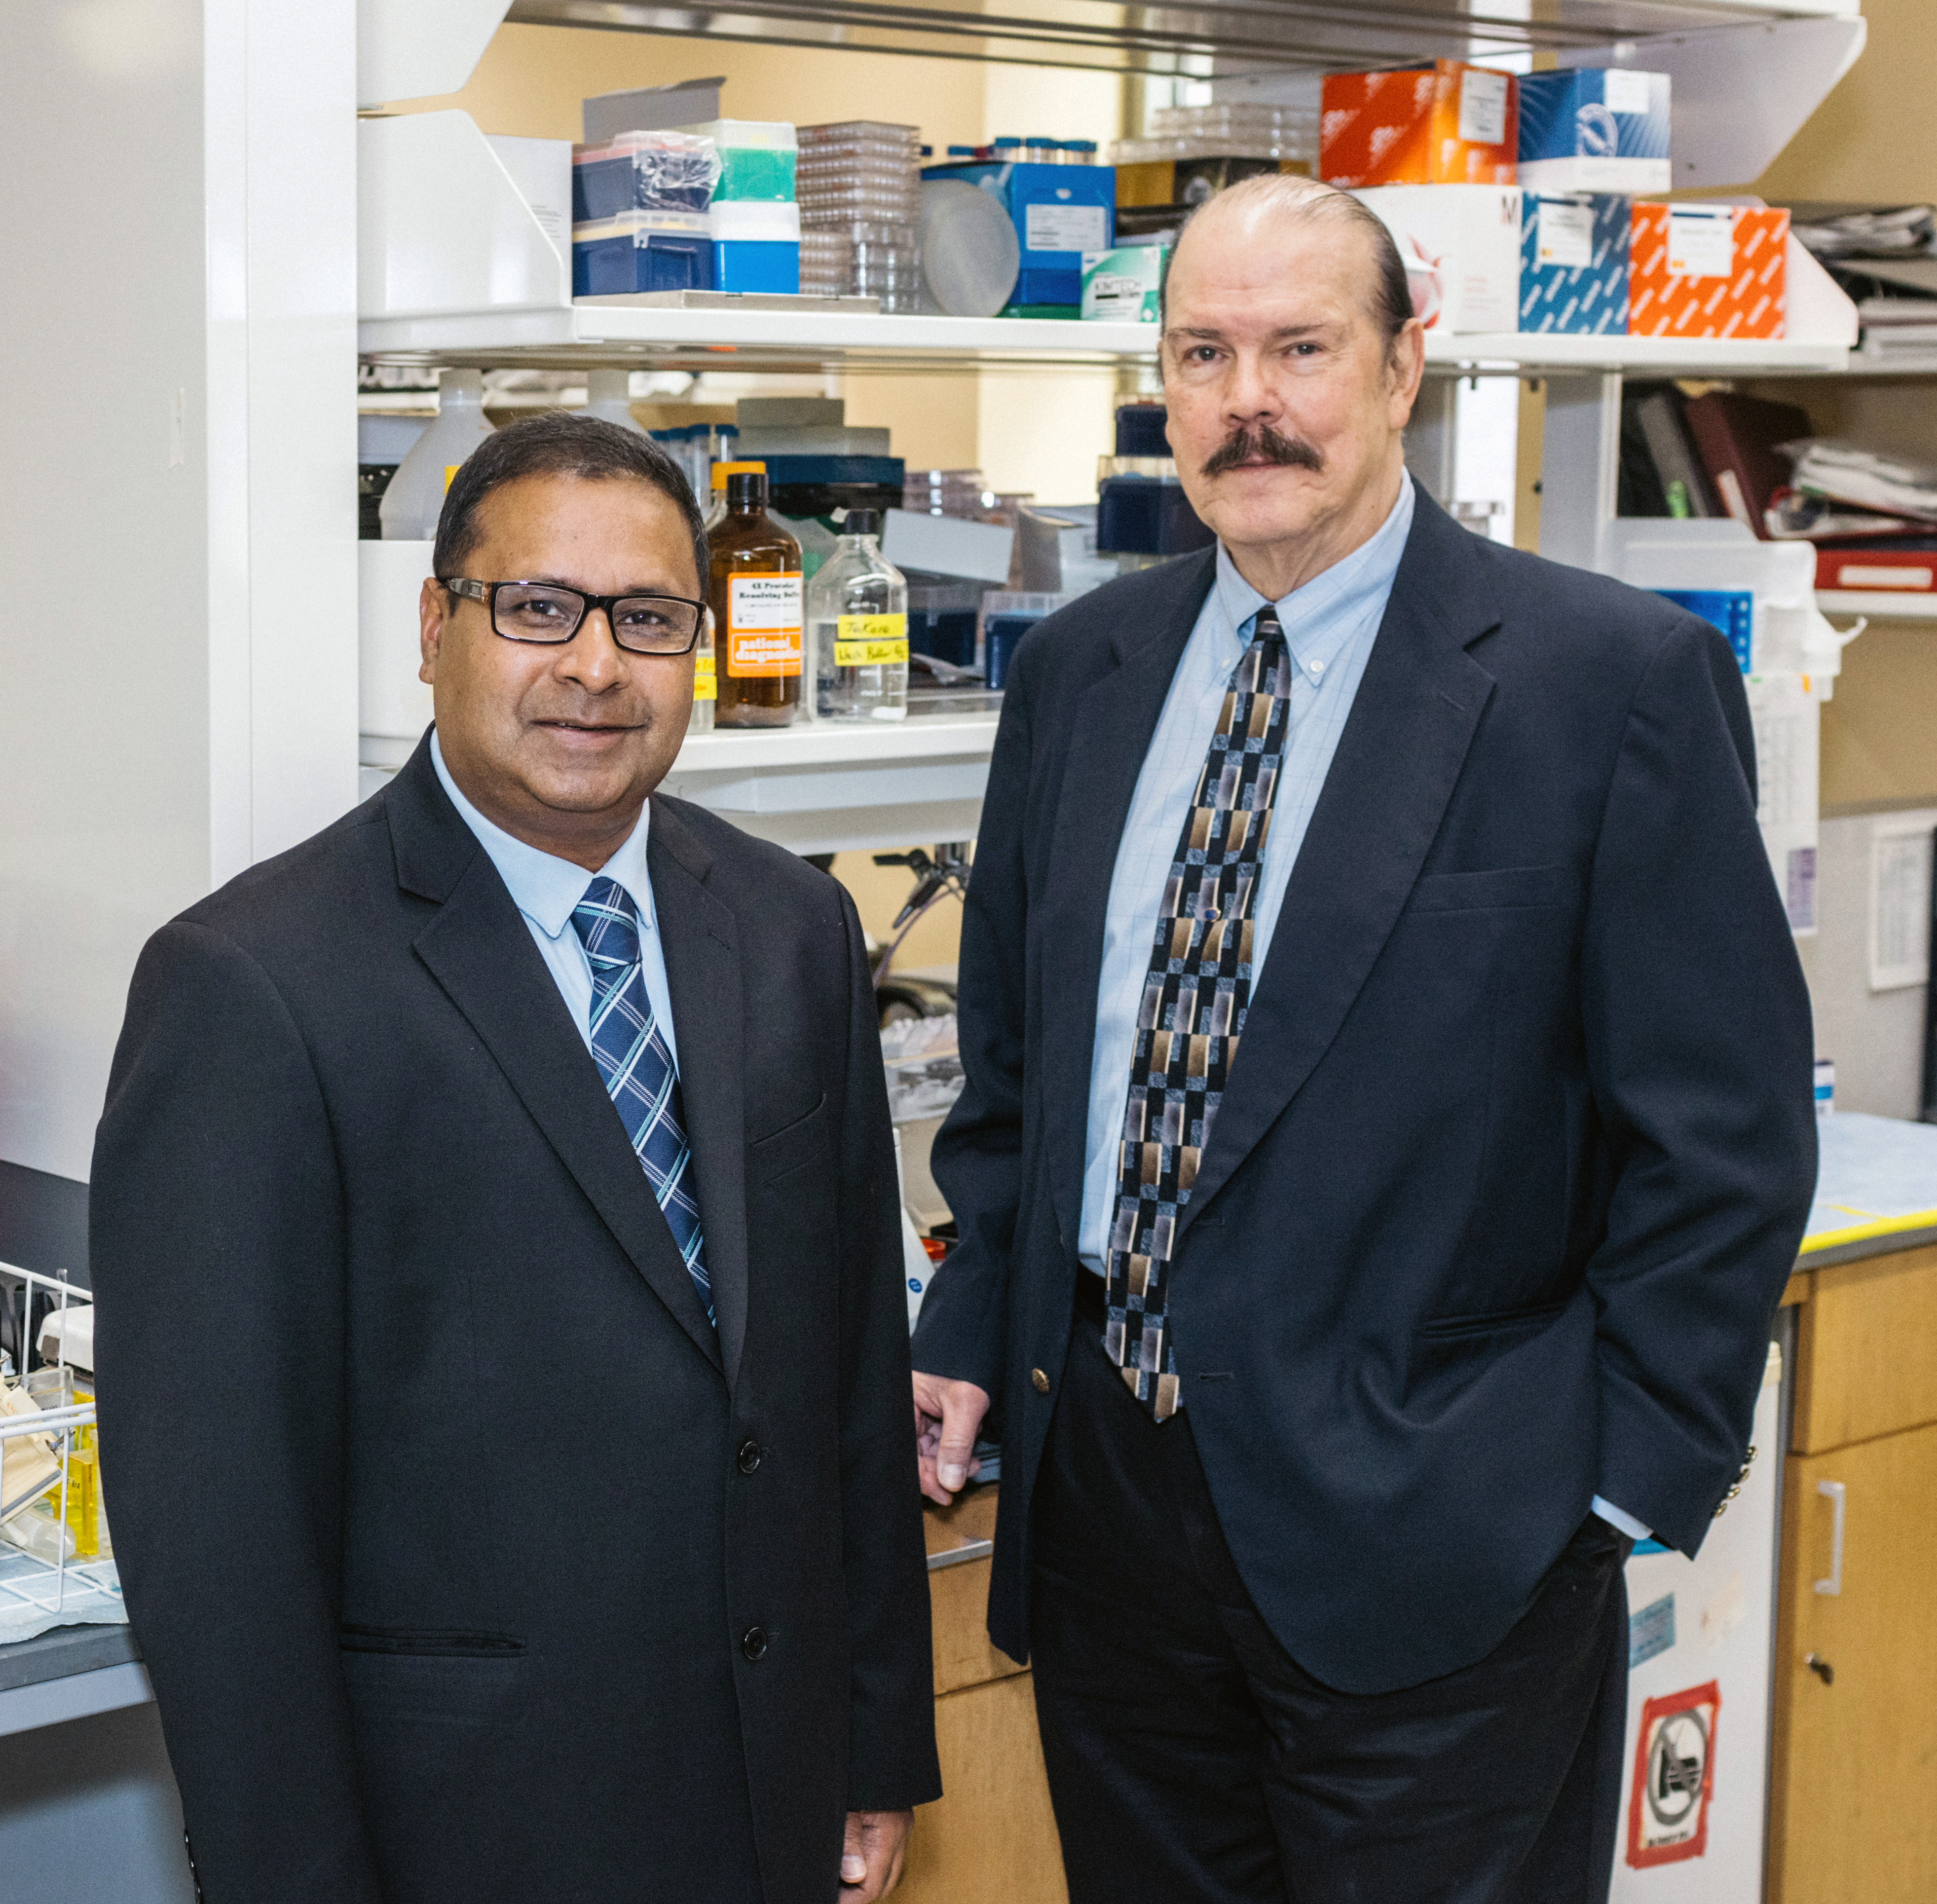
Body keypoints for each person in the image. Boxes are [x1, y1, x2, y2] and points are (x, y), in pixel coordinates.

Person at [910, 173, 1815, 1903]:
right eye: (1205, 353)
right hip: (1111, 1516)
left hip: (1449, 1534)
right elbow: (1021, 1086)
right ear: (1161, 387)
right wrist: (970, 1325)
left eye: (1303, 347)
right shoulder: (1081, 673)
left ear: (1407, 368)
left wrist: (1617, 1489)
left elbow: (1725, 1138)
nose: (1250, 399)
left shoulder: (1601, 684)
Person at [92, 413, 938, 1904]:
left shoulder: (790, 927)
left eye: (650, 618)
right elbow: (220, 1544)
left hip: (767, 1794)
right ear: (434, 626)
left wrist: (874, 1742)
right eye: (538, 608)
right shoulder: (254, 986)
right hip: (460, 1832)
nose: (597, 666)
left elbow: (846, 1369)